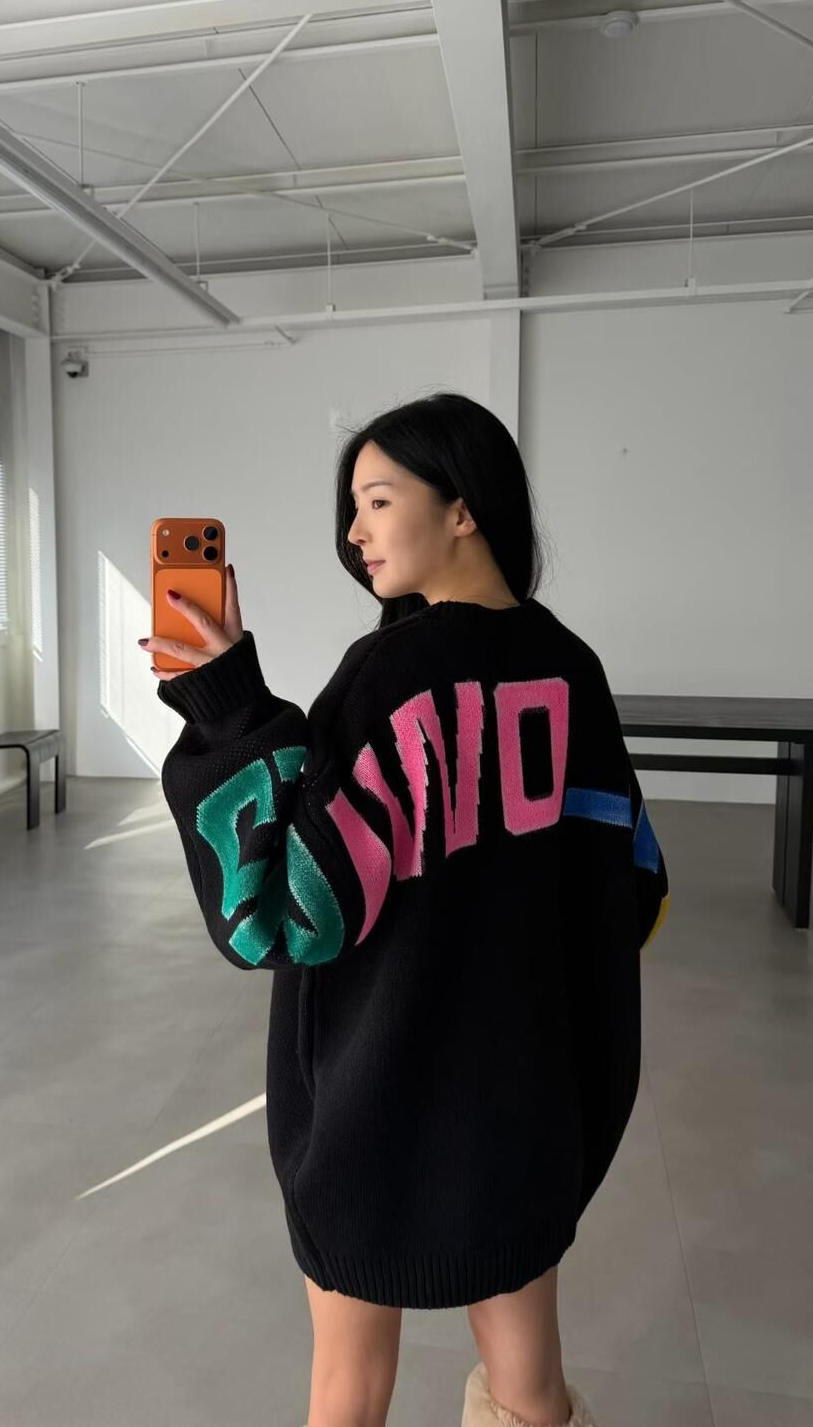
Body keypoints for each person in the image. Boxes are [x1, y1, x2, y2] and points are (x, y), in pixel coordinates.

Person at [140, 392, 669, 1427]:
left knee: (348, 1385)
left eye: (379, 500)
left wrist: (229, 708)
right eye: (354, 507)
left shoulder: (390, 674)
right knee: (529, 1387)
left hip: (377, 1098)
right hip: (523, 1102)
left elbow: (283, 914)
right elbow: (634, 891)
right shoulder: (573, 668)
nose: (355, 531)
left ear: (462, 507)